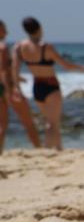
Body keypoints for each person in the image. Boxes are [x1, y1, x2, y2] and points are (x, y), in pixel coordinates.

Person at [11, 17, 84, 150]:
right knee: (52, 123)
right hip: (51, 86)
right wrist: (80, 68)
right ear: (39, 28)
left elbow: (15, 69)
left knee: (50, 120)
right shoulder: (46, 47)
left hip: (37, 87)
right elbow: (66, 65)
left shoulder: (19, 47)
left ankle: (59, 148)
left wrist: (17, 88)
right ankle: (47, 149)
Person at [1, 20, 42, 152]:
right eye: (3, 29)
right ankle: (39, 149)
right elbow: (3, 71)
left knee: (3, 124)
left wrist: (18, 77)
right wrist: (11, 89)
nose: (6, 32)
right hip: (7, 88)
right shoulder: (2, 47)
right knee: (28, 121)